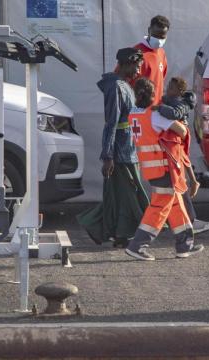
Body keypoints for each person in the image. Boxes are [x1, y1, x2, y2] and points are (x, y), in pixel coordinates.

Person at [131, 15, 209, 234]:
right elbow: (131, 85)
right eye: (157, 34)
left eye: (163, 35)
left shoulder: (160, 53)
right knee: (170, 176)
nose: (160, 39)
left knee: (171, 176)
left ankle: (184, 226)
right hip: (152, 120)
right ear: (148, 29)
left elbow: (161, 86)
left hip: (159, 118)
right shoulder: (137, 54)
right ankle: (163, 229)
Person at [126, 78, 205, 261]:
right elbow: (182, 131)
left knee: (176, 204)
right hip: (164, 169)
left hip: (151, 169)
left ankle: (184, 245)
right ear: (153, 95)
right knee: (159, 207)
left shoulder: (133, 114)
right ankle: (138, 245)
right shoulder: (155, 115)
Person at [77, 48, 149, 247]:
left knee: (122, 195)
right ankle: (113, 232)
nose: (138, 71)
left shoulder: (124, 85)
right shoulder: (115, 87)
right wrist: (108, 156)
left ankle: (118, 234)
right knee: (127, 196)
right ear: (126, 64)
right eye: (136, 66)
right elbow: (111, 123)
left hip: (128, 150)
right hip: (120, 153)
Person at [154, 77, 200, 199]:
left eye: (172, 88)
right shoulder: (167, 99)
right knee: (182, 156)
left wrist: (159, 108)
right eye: (168, 86)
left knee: (183, 156)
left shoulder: (182, 103)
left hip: (181, 132)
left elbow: (174, 114)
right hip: (174, 131)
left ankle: (193, 181)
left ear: (180, 92)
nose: (168, 89)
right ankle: (192, 181)